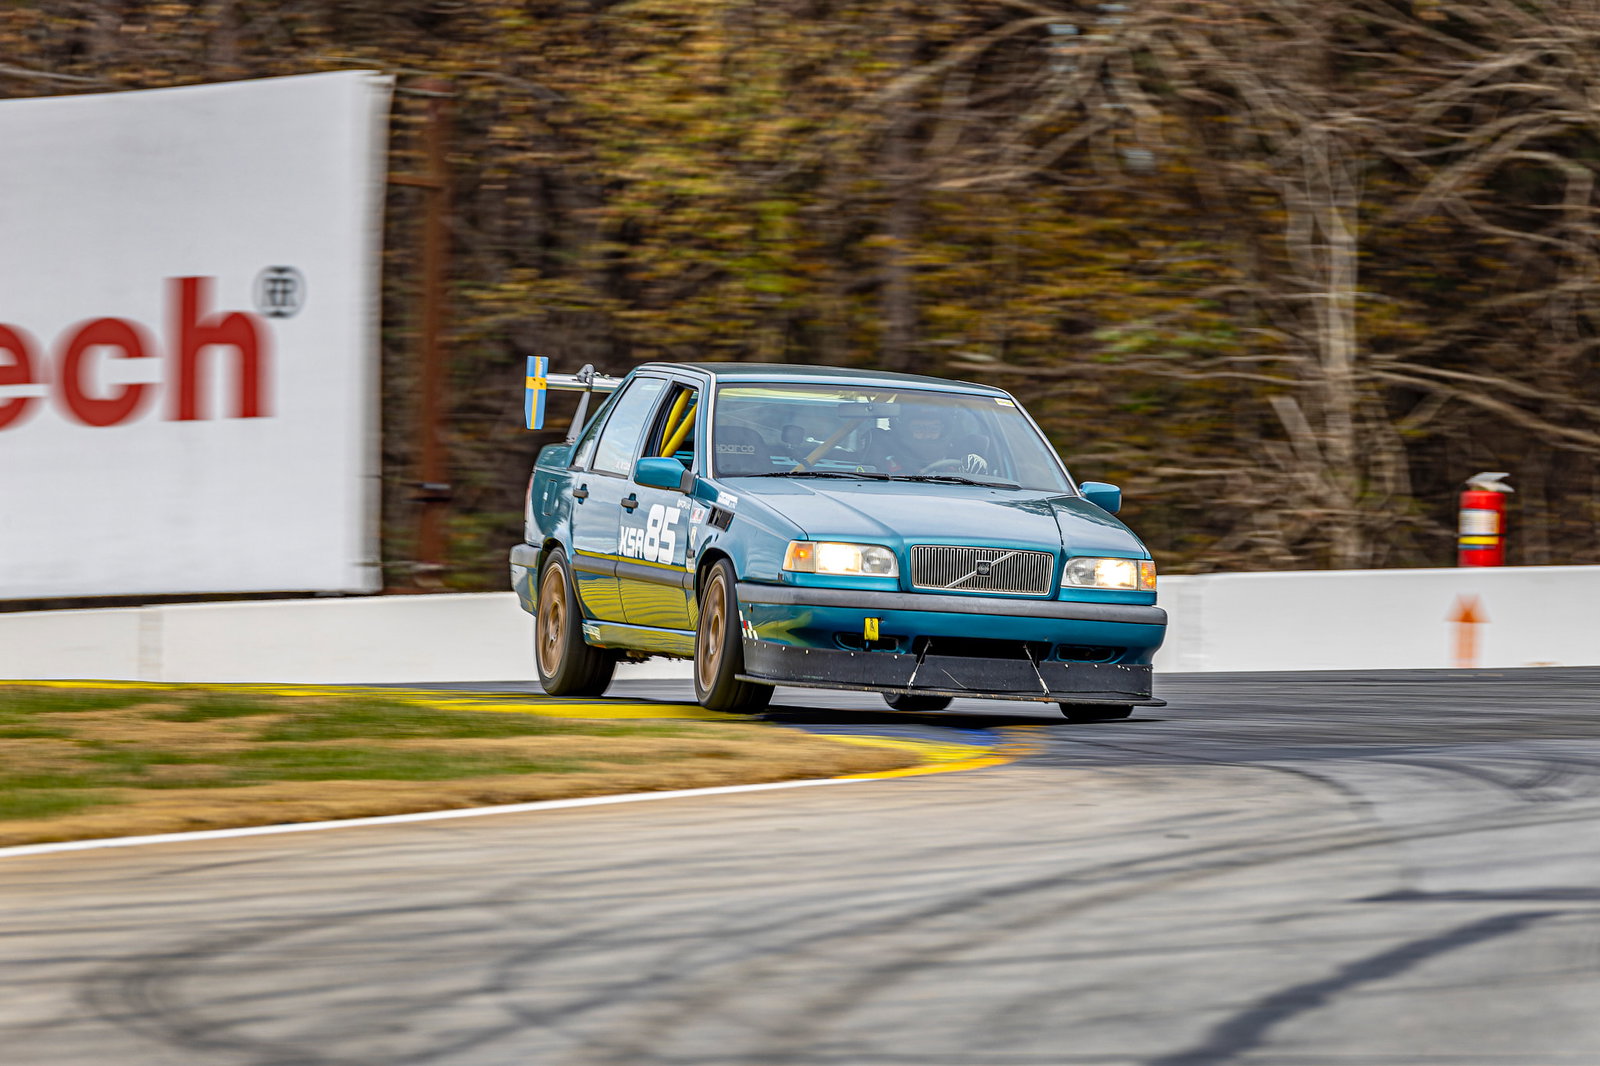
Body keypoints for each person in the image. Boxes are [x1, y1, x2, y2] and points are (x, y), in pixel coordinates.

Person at [884, 408, 989, 475]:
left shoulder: (962, 464)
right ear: (907, 430)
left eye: (934, 429)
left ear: (944, 431)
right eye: (918, 428)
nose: (927, 434)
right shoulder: (888, 462)